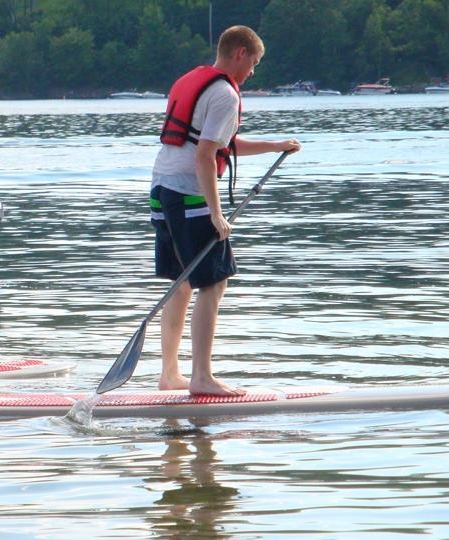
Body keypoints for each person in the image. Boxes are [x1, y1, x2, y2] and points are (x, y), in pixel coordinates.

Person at [150, 25, 300, 396]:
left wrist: (275, 145)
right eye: (254, 63)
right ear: (240, 53)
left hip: (161, 188)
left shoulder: (197, 81)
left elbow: (222, 145)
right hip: (189, 195)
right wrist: (216, 213)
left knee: (182, 282)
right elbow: (204, 156)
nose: (253, 72)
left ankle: (170, 374)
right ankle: (201, 377)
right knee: (214, 283)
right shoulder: (224, 95)